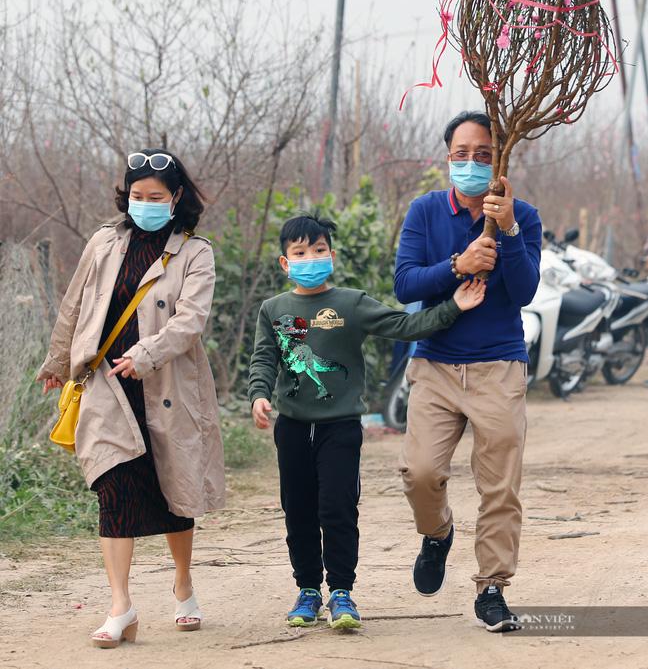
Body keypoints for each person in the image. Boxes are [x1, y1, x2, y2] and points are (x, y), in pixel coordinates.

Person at [248, 213, 486, 631]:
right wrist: (259, 395)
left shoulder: (351, 303)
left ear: (332, 256)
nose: (311, 258)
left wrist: (453, 307)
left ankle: (341, 591)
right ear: (285, 263)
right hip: (292, 427)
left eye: (319, 250)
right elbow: (264, 358)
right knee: (298, 510)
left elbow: (405, 324)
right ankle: (307, 591)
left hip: (339, 427)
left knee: (337, 508)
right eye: (300, 253)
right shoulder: (273, 309)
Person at [37, 150, 225, 648]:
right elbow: (76, 302)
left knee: (172, 492)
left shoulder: (195, 251)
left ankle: (183, 583)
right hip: (105, 385)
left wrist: (146, 354)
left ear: (176, 197)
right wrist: (58, 361)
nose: (145, 204)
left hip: (166, 386)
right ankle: (121, 605)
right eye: (137, 197)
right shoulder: (104, 242)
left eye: (155, 197)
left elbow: (191, 320)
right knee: (112, 487)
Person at [394, 110, 542, 633]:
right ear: (447, 157)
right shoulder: (426, 211)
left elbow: (524, 291)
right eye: (462, 154)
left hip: (498, 366)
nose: (473, 163)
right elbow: (405, 284)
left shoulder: (522, 215)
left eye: (484, 155)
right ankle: (437, 534)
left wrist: (507, 231)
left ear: (500, 159)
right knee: (420, 472)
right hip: (435, 363)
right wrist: (458, 264)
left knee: (500, 484)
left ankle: (493, 587)